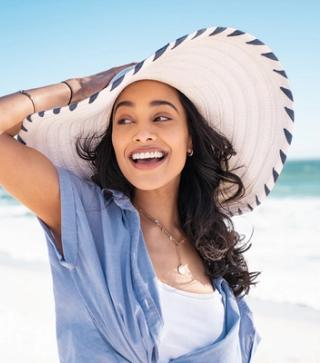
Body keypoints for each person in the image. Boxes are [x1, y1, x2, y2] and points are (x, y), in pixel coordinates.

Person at [0, 25, 294, 362]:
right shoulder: (86, 219)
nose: (142, 133)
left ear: (190, 140)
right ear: (113, 140)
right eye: (125, 120)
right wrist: (74, 89)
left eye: (161, 117)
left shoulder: (213, 250)